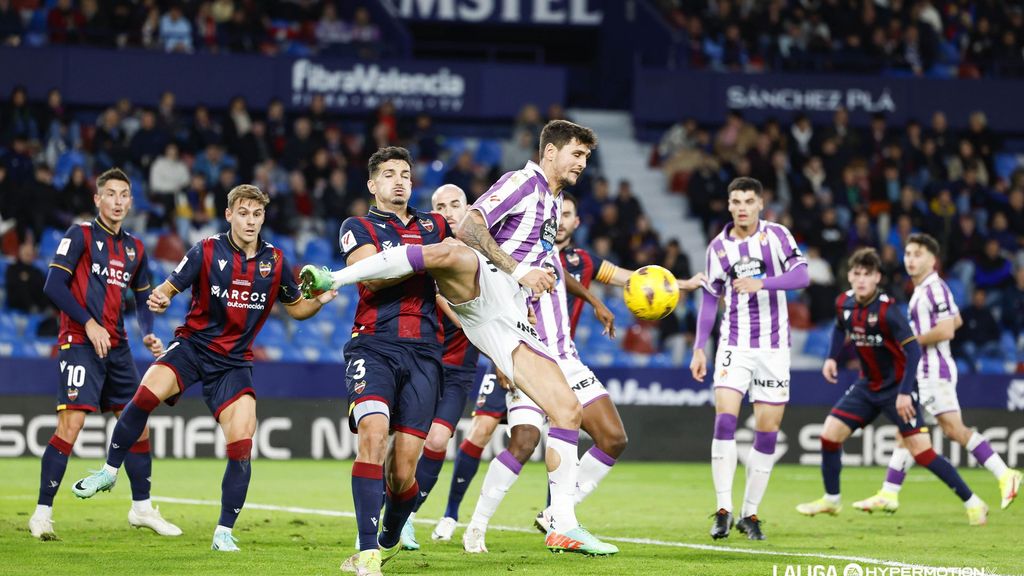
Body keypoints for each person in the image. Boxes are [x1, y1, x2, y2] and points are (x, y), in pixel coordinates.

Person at [301, 122, 619, 566]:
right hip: (483, 283)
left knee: (566, 410)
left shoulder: (554, 200)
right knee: (452, 251)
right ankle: (332, 275)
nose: (582, 164)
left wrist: (532, 292)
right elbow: (471, 227)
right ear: (550, 152)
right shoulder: (521, 183)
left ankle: (562, 524)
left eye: (586, 156)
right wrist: (516, 271)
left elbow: (536, 260)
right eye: (576, 154)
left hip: (506, 313)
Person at [70, 184, 336, 553]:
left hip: (234, 363)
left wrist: (319, 301)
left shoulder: (275, 261)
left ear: (263, 218)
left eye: (257, 214)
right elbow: (165, 289)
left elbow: (296, 308)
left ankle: (224, 532)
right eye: (243, 213)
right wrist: (160, 298)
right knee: (145, 392)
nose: (250, 221)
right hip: (193, 347)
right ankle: (109, 471)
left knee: (242, 442)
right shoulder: (206, 250)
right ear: (229, 215)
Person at [432, 190, 705, 547]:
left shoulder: (570, 259)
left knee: (613, 438)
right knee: (524, 442)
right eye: (556, 214)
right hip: (530, 358)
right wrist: (500, 356)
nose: (559, 220)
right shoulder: (513, 252)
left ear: (575, 222)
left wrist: (676, 284)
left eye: (567, 214)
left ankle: (558, 514)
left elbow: (606, 278)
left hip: (568, 359)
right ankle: (476, 524)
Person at [29, 168, 179, 540]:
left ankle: (142, 509)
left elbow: (143, 298)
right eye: (109, 194)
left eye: (123, 195)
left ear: (130, 201)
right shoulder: (80, 234)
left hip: (118, 345)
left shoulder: (135, 248)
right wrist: (89, 322)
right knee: (72, 425)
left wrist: (148, 334)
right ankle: (42, 513)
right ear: (97, 199)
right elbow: (53, 284)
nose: (116, 201)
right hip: (79, 340)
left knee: (138, 423)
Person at [796, 248, 989, 526]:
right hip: (867, 386)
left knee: (922, 452)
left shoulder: (888, 311)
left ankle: (974, 502)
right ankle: (831, 499)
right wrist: (831, 358)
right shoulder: (844, 304)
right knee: (829, 435)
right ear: (849, 276)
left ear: (877, 278)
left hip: (898, 388)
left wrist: (904, 393)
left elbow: (913, 352)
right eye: (856, 274)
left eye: (867, 274)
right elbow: (840, 327)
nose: (861, 280)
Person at [854, 234, 1020, 513]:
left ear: (933, 260)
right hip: (924, 372)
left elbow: (947, 329)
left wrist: (910, 342)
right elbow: (956, 318)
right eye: (907, 254)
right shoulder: (923, 290)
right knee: (907, 431)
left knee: (954, 430)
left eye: (918, 254)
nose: (910, 259)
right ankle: (889, 493)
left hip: (933, 372)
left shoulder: (933, 288)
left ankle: (1005, 474)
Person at [691, 176, 810, 541]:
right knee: (725, 422)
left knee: (767, 432)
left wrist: (764, 283)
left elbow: (802, 276)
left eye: (748, 201)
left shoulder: (777, 236)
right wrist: (699, 346)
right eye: (736, 201)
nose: (742, 207)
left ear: (760, 203)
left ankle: (750, 513)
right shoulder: (718, 248)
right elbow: (711, 299)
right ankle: (723, 510)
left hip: (774, 348)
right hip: (734, 344)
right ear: (729, 206)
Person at [393, 184, 483, 551]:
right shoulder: (432, 252)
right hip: (423, 359)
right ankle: (388, 511)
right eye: (440, 206)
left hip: (459, 370)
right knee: (400, 448)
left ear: (468, 208)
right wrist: (465, 317)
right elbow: (434, 294)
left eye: (454, 204)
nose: (448, 210)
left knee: (439, 439)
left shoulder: (484, 253)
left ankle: (408, 518)